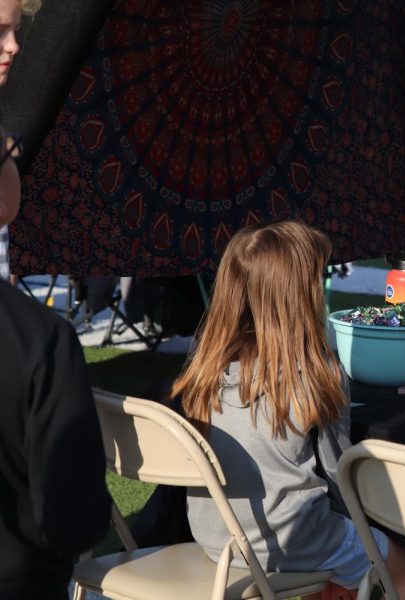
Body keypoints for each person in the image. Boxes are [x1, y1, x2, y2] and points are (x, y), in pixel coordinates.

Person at [171, 221, 405, 600]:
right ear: (300, 294)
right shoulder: (316, 372)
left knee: (323, 534)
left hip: (215, 537)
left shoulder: (205, 368)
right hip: (293, 540)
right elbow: (340, 478)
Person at [0, 1, 112, 598]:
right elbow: (72, 518)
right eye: (1, 32)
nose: (15, 47)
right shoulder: (39, 345)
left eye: (19, 32)